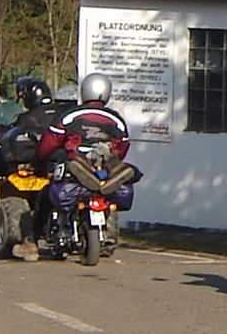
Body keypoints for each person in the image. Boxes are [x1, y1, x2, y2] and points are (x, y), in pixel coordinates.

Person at [12, 73, 137, 261]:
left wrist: (38, 160)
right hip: (103, 169)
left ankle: (31, 242)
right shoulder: (116, 120)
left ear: (84, 92)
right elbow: (123, 146)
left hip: (74, 166)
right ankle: (107, 233)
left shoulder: (71, 116)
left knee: (46, 196)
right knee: (107, 186)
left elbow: (48, 143)